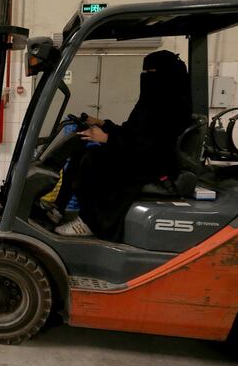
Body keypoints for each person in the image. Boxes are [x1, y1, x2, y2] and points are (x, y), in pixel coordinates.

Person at [52, 50, 192, 239]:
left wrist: (107, 138)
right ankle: (58, 208)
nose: (146, 78)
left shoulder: (172, 106)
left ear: (165, 74)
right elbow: (132, 132)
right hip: (140, 154)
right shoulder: (151, 101)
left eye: (151, 73)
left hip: (154, 164)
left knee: (93, 160)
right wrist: (103, 124)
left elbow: (150, 145)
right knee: (80, 150)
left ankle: (90, 221)